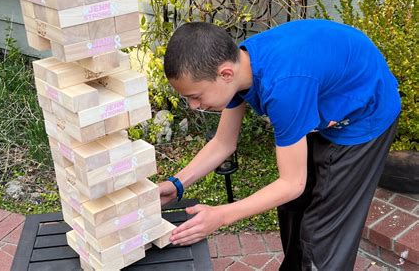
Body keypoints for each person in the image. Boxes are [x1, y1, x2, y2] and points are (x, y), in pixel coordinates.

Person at [158, 19, 401, 270]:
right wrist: (176, 185)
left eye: (196, 97)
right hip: (321, 97)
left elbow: (292, 183)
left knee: (322, 234)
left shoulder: (284, 87)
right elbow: (223, 143)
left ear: (225, 74)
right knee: (292, 209)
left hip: (365, 115)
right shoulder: (240, 65)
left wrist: (221, 216)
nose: (194, 106)